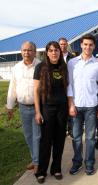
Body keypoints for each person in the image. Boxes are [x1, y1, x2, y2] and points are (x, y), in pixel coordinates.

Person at [67, 34, 98, 176]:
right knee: (76, 137)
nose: (88, 47)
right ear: (81, 45)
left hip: (91, 106)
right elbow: (69, 85)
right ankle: (77, 162)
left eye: (90, 45)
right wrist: (70, 104)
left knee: (90, 138)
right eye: (85, 44)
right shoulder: (72, 63)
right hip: (76, 106)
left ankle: (89, 163)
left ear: (94, 46)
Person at [34, 41, 68, 183]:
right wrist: (38, 111)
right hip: (47, 108)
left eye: (56, 50)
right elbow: (35, 91)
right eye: (51, 50)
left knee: (59, 141)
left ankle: (56, 169)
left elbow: (67, 88)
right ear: (47, 52)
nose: (54, 53)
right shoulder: (40, 67)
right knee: (46, 141)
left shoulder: (63, 67)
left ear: (60, 52)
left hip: (62, 109)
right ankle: (41, 171)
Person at [6, 41, 41, 173]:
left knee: (37, 136)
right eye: (24, 50)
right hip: (23, 107)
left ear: (34, 51)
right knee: (28, 135)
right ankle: (34, 158)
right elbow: (12, 88)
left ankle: (37, 163)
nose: (26, 53)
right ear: (21, 51)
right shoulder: (16, 68)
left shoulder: (40, 66)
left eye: (29, 50)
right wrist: (10, 106)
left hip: (38, 107)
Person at [58, 37, 75, 138]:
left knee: (71, 106)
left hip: (70, 83)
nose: (63, 46)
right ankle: (62, 129)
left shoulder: (72, 57)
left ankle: (71, 129)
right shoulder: (56, 56)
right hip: (60, 85)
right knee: (62, 108)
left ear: (67, 45)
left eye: (64, 44)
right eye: (61, 44)